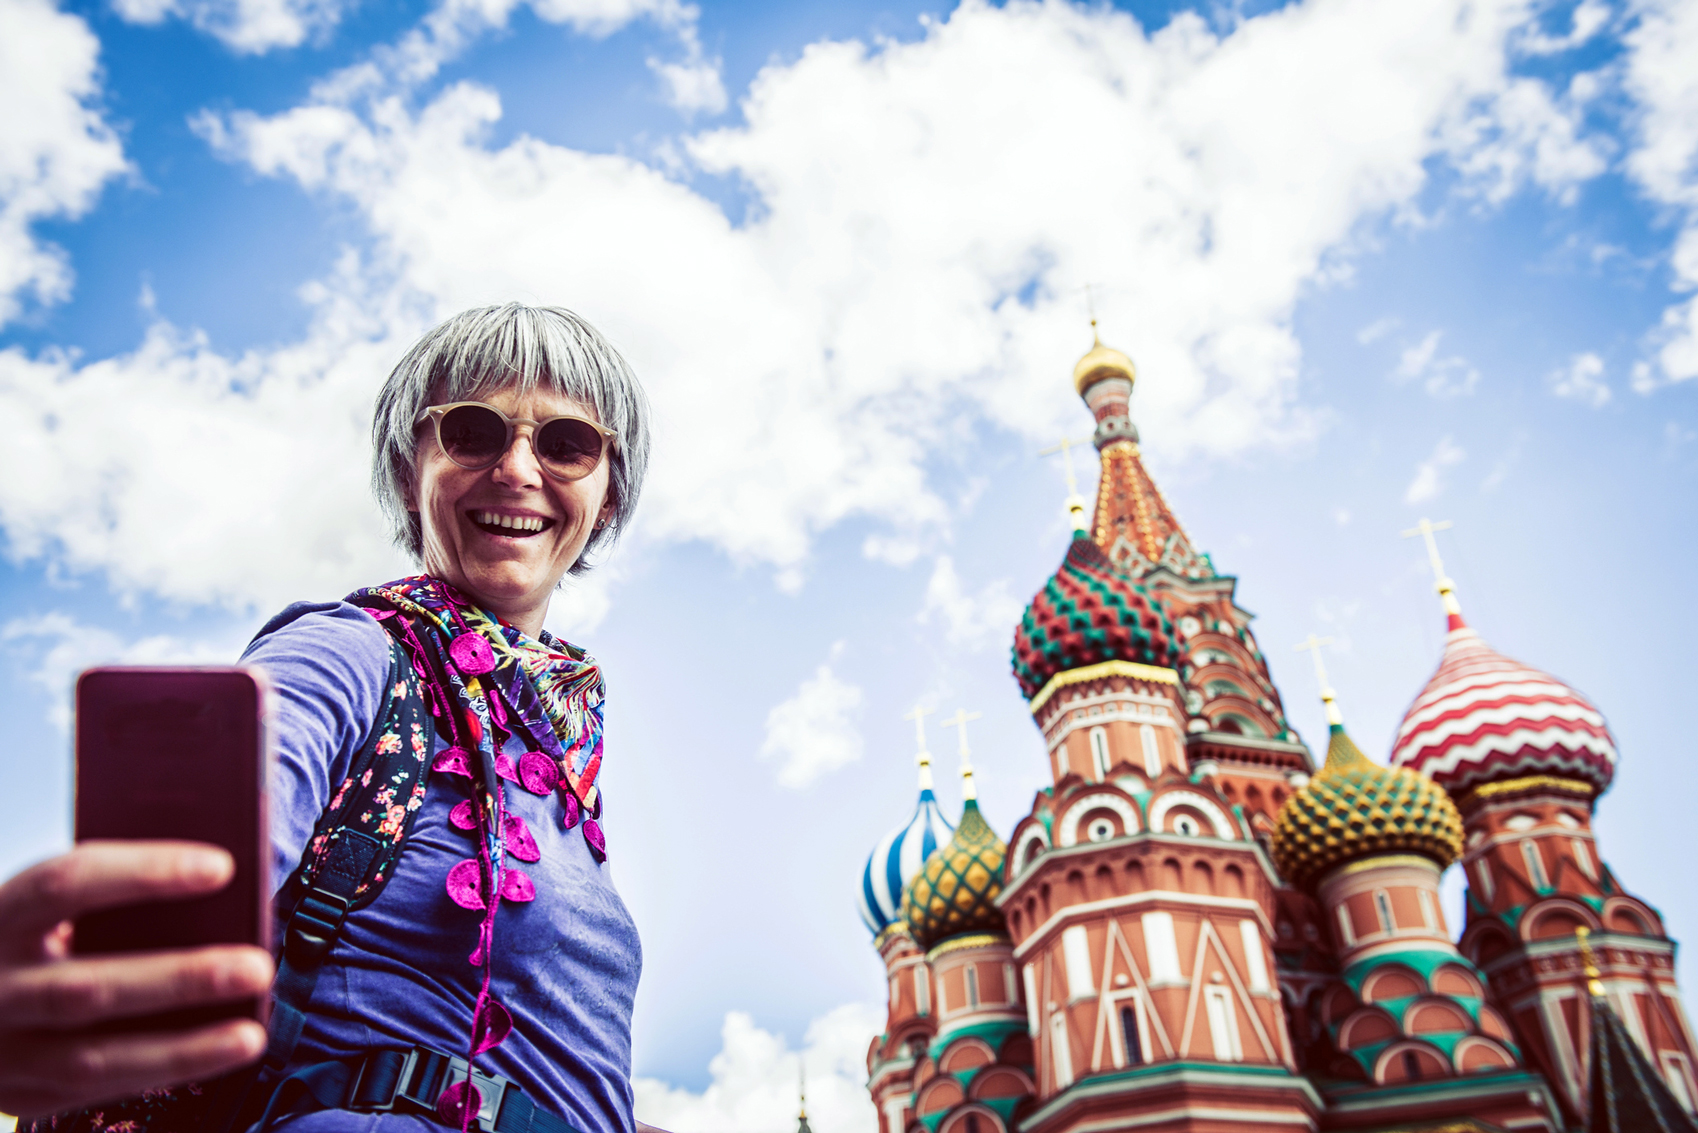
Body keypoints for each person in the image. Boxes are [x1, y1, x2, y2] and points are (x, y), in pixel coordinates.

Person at [0, 304, 655, 1133]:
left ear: (608, 491)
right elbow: (192, 863)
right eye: (474, 432)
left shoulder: (563, 755)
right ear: (408, 465)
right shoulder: (347, 651)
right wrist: (79, 972)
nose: (517, 468)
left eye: (566, 443)